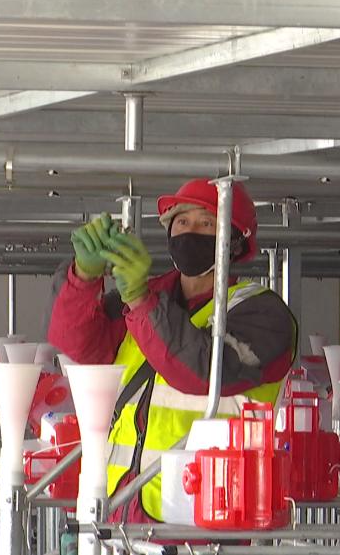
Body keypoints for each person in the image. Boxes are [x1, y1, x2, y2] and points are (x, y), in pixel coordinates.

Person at [45, 178, 297, 523]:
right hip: (123, 508)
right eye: (182, 222)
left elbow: (201, 372)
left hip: (208, 513)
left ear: (236, 243)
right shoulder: (143, 297)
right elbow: (76, 343)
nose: (190, 231)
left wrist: (139, 298)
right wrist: (84, 276)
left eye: (207, 224)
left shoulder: (264, 315)